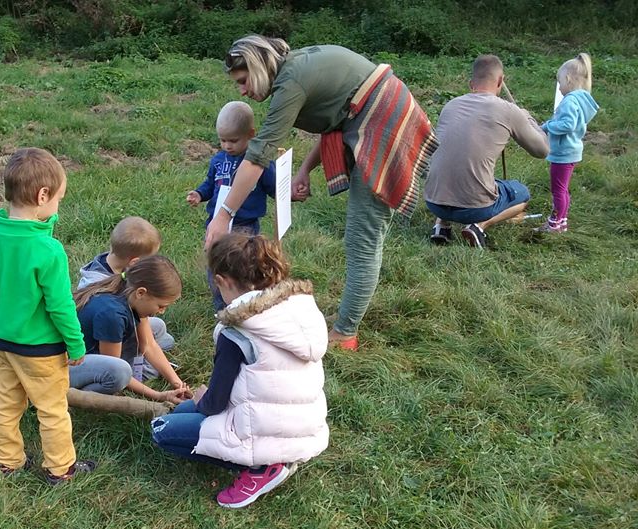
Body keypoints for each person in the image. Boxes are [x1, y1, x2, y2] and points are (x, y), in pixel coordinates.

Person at [210, 36, 438, 350]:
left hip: (384, 124)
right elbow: (337, 116)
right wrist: (304, 170)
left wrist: (223, 215)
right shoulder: (295, 69)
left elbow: (258, 155)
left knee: (362, 237)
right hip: (371, 116)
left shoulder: (291, 82)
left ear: (260, 69)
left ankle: (345, 333)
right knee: (361, 235)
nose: (243, 91)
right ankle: (349, 316)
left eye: (244, 81)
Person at [151, 233, 329, 509]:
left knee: (162, 428)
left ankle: (261, 468)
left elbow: (215, 403)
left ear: (221, 281)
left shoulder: (236, 332)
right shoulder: (297, 310)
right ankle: (277, 457)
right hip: (304, 427)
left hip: (264, 430)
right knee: (182, 412)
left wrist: (202, 399)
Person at [0, 147, 95, 485]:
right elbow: (61, 305)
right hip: (41, 349)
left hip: (2, 342)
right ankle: (60, 468)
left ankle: (8, 462)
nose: (57, 207)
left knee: (7, 402)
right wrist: (76, 344)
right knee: (52, 410)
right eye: (58, 200)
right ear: (42, 196)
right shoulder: (47, 250)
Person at [424, 54, 550, 248]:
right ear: (500, 81)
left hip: (433, 201)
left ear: (470, 83)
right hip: (474, 209)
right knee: (521, 192)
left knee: (455, 168)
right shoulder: (508, 110)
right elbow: (542, 151)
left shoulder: (451, 105)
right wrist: (527, 117)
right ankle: (479, 225)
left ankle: (441, 225)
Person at [187, 101, 276, 311]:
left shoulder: (257, 163)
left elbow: (273, 187)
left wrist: (289, 192)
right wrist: (199, 194)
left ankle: (244, 302)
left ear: (250, 134)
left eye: (233, 140)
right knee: (216, 264)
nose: (227, 146)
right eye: (222, 140)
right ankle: (221, 305)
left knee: (243, 265)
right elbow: (211, 183)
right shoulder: (219, 160)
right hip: (217, 224)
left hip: (246, 226)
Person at [71, 255, 191, 404]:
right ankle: (77, 395)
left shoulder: (128, 292)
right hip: (65, 366)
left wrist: (177, 382)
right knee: (120, 373)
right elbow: (113, 365)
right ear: (141, 293)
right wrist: (158, 396)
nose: (162, 311)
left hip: (96, 351)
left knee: (158, 327)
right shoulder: (112, 315)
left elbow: (149, 345)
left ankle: (137, 373)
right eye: (161, 306)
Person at [76, 216, 175, 379]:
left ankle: (140, 358)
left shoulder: (112, 265)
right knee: (155, 354)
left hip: (117, 328)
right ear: (134, 262)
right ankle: (138, 371)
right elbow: (110, 358)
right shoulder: (104, 295)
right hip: (101, 342)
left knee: (161, 330)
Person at [538, 53, 599, 234]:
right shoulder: (581, 100)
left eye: (560, 82)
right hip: (572, 150)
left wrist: (548, 126)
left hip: (563, 153)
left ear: (568, 79)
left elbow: (568, 124)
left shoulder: (570, 100)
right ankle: (561, 221)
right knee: (563, 190)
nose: (560, 87)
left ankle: (554, 223)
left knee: (558, 190)